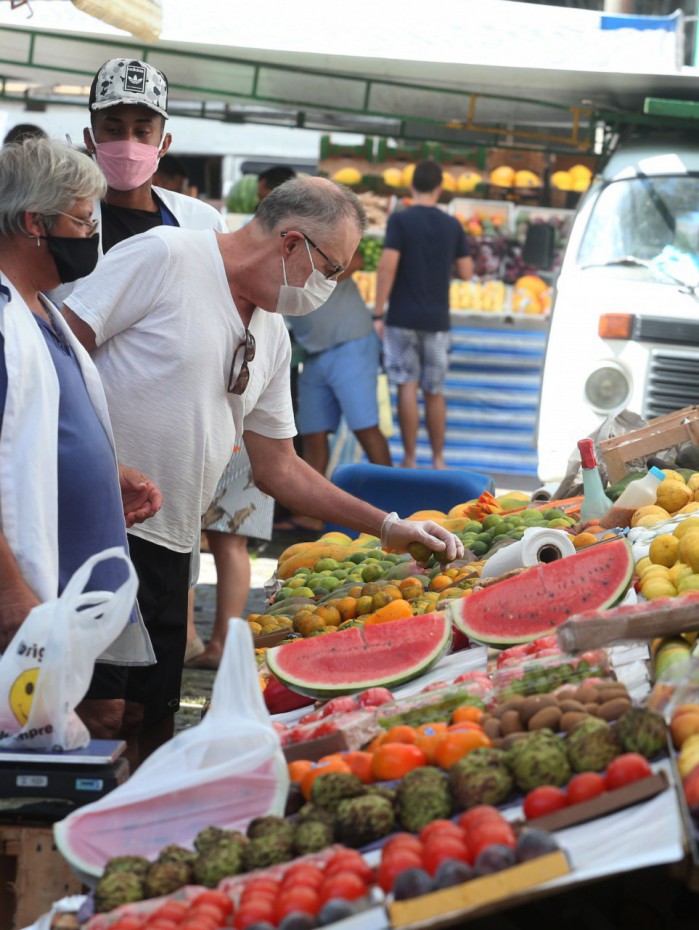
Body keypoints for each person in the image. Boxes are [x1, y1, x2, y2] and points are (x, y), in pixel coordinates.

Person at [62, 177, 464, 760]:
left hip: (175, 551)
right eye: (334, 269)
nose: (331, 286)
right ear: (292, 243)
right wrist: (103, 464)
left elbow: (280, 467)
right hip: (99, 536)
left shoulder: (272, 331)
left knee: (148, 725)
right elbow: (57, 355)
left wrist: (388, 526)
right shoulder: (165, 255)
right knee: (94, 718)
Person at [0, 138, 162, 747]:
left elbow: (34, 429)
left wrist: (102, 472)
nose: (92, 233)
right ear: (33, 224)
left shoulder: (42, 310)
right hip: (21, 601)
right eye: (83, 220)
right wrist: (9, 591)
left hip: (63, 601)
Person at [280, 249, 392, 533]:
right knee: (313, 434)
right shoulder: (273, 247)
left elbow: (356, 260)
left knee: (366, 428)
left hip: (351, 344)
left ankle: (394, 507)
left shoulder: (313, 236)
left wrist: (310, 277)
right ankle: (310, 513)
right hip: (315, 351)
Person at [374, 160, 473, 469]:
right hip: (437, 321)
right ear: (440, 190)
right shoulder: (452, 224)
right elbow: (467, 272)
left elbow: (387, 266)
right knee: (434, 390)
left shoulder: (400, 221)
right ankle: (440, 459)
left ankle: (410, 457)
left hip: (402, 318)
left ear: (410, 187)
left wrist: (378, 312)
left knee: (407, 385)